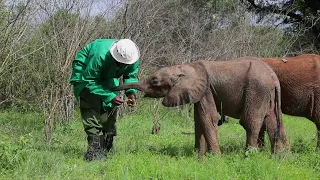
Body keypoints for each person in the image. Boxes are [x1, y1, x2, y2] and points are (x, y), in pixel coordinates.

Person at [69, 38, 140, 161]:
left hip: (108, 77)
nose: (123, 65)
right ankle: (95, 152)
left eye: (125, 64)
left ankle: (107, 148)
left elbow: (130, 76)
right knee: (91, 111)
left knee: (109, 112)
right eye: (121, 63)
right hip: (86, 76)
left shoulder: (132, 56)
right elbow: (89, 80)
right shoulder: (100, 55)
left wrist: (131, 93)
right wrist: (109, 96)